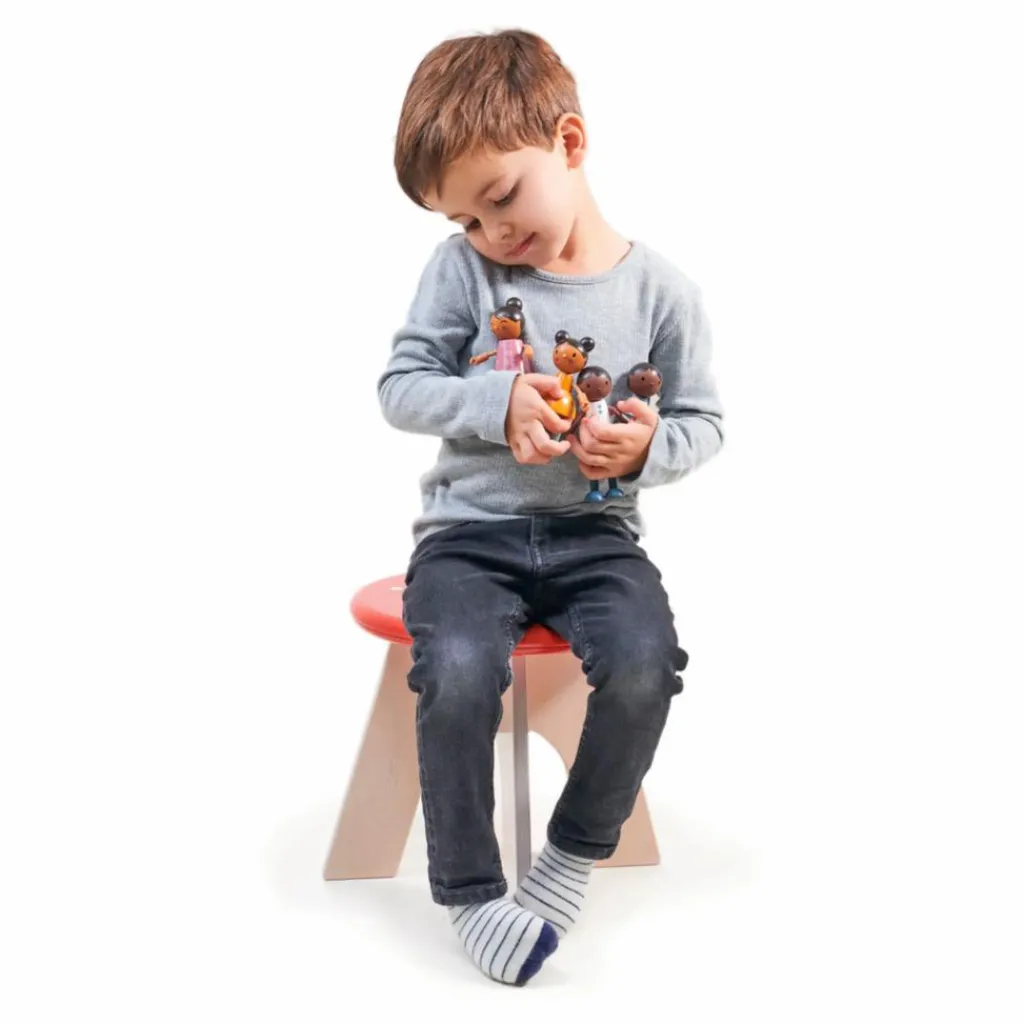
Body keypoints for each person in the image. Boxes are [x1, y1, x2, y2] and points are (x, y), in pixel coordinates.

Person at [377, 28, 725, 986]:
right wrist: (494, 403)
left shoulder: (662, 293)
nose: (490, 234)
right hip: (469, 537)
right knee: (455, 671)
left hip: (596, 537)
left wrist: (648, 449)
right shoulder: (462, 273)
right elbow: (400, 387)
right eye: (464, 219)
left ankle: (570, 856)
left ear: (569, 142)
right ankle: (470, 892)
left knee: (648, 665)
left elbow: (703, 422)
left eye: (499, 199)